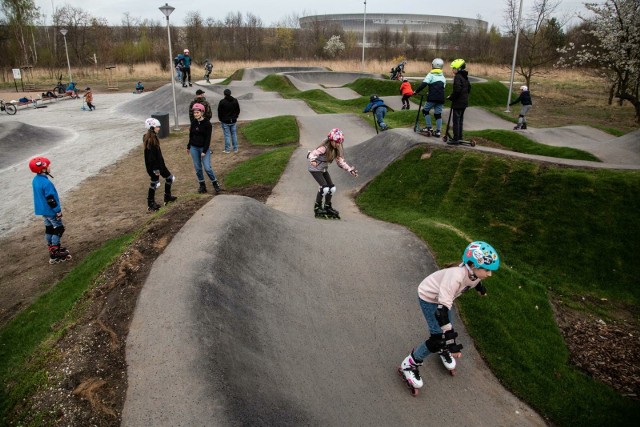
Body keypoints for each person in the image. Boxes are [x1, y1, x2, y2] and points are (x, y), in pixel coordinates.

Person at [398, 241, 500, 395]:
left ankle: (442, 347)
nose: (490, 274)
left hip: (443, 301)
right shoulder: (455, 277)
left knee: (446, 331)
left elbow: (474, 281)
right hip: (429, 298)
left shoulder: (473, 273)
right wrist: (451, 343)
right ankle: (410, 364)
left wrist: (481, 289)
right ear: (473, 266)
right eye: (487, 270)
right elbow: (441, 313)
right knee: (438, 337)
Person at [307, 128, 358, 219]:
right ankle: (317, 208)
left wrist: (350, 170)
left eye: (340, 142)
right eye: (336, 142)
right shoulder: (324, 147)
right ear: (331, 140)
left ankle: (327, 207)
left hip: (323, 169)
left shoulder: (336, 149)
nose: (338, 144)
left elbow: (340, 162)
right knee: (324, 188)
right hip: (315, 169)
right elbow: (312, 154)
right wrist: (313, 160)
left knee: (332, 188)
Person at [29, 156, 72, 264]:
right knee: (59, 228)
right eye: (47, 166)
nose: (49, 167)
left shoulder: (36, 180)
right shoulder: (46, 183)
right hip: (50, 210)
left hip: (43, 210)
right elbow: (51, 199)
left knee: (49, 229)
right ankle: (55, 251)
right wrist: (57, 210)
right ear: (42, 169)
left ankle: (51, 247)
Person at [187, 103, 223, 194]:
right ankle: (202, 186)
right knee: (198, 168)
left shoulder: (207, 124)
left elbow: (208, 138)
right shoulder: (193, 122)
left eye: (197, 112)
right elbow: (191, 135)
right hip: (194, 148)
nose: (196, 114)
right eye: (194, 113)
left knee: (207, 168)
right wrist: (188, 146)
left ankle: (215, 184)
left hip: (204, 148)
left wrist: (204, 150)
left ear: (202, 112)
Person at [143, 118, 177, 211]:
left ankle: (167, 197)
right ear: (151, 128)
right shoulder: (150, 140)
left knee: (170, 178)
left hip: (160, 165)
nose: (159, 128)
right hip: (155, 167)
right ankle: (150, 204)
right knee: (154, 184)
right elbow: (151, 158)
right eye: (157, 127)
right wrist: (156, 169)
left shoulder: (153, 137)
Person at [412, 58, 446, 137]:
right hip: (441, 98)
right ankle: (438, 132)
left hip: (432, 97)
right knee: (438, 114)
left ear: (433, 65)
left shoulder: (431, 74)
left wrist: (416, 91)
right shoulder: (443, 77)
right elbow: (442, 88)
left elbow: (424, 84)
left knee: (425, 111)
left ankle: (429, 127)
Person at [447, 58, 471, 144]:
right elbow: (469, 88)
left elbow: (457, 90)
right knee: (460, 120)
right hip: (464, 102)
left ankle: (455, 139)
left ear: (458, 69)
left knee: (456, 120)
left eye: (453, 68)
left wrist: (451, 97)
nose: (452, 70)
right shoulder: (465, 77)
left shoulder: (457, 77)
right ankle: (460, 137)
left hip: (458, 102)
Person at [218, 88, 241, 153]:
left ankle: (227, 149)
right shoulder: (235, 100)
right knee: (234, 134)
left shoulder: (222, 102)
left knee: (227, 135)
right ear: (230, 94)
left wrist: (220, 119)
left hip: (225, 121)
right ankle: (235, 148)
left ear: (224, 94)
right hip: (233, 120)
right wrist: (236, 116)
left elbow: (219, 111)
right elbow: (238, 110)